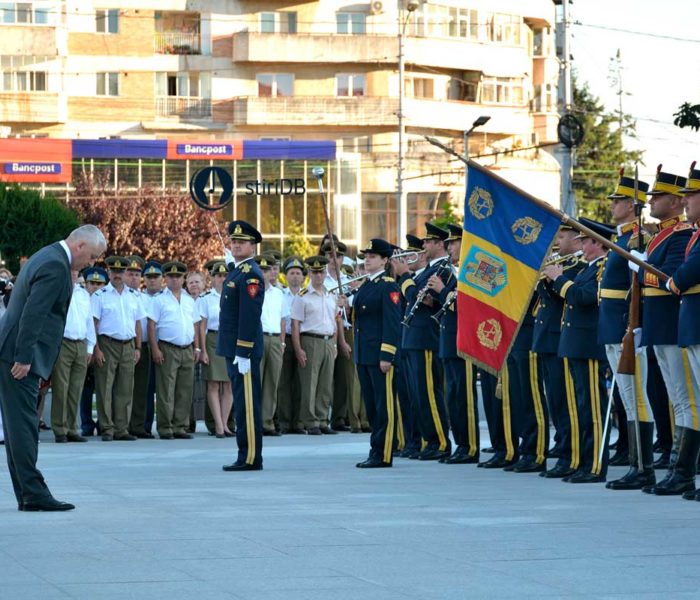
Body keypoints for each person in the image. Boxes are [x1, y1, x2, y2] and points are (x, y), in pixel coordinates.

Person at [0, 224, 106, 511]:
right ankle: (33, 493)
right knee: (23, 427)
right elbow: (33, 314)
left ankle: (27, 492)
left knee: (17, 426)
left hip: (15, 353)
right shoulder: (55, 265)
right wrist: (23, 357)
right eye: (93, 256)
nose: (92, 264)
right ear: (80, 246)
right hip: (18, 357)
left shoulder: (47, 257)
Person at [631, 168, 694, 495]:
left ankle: (682, 466)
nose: (651, 202)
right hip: (658, 324)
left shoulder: (681, 234)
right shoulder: (659, 235)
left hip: (672, 323)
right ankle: (676, 465)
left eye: (657, 197)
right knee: (675, 398)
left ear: (673, 201)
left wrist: (642, 271)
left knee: (685, 399)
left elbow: (670, 277)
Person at [544, 218, 614, 484]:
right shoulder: (587, 268)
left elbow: (584, 297)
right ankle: (585, 462)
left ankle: (595, 465)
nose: (582, 245)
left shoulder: (604, 267)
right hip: (575, 345)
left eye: (585, 241)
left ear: (598, 243)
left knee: (593, 410)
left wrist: (559, 278)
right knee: (583, 408)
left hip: (588, 346)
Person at [600, 174, 657, 491]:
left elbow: (638, 288)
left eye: (619, 200)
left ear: (634, 206)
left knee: (637, 398)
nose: (613, 205)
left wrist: (632, 326)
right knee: (627, 397)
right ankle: (637, 464)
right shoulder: (621, 240)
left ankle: (643, 467)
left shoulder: (637, 240)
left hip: (626, 326)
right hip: (612, 325)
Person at [660, 162, 700, 498]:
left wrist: (674, 280)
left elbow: (688, 272)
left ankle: (685, 470)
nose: (685, 201)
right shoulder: (695, 233)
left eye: (692, 196)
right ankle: (682, 471)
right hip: (690, 324)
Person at [394, 223, 451, 461]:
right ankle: (429, 440)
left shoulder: (443, 269)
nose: (423, 245)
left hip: (427, 337)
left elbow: (414, 295)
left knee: (429, 393)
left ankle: (439, 441)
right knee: (419, 394)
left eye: (428, 242)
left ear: (439, 244)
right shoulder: (430, 269)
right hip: (415, 337)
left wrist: (405, 275)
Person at [427, 224, 480, 464]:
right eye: (448, 244)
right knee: (453, 397)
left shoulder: (474, 271)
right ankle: (461, 443)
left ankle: (470, 446)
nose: (450, 248)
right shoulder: (450, 271)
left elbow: (470, 305)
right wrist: (435, 293)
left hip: (466, 341)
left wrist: (442, 290)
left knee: (464, 397)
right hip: (448, 339)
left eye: (454, 243)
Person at [534, 226, 585, 478]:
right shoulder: (561, 264)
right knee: (555, 401)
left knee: (566, 404)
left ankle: (569, 455)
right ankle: (563, 448)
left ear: (577, 240)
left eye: (562, 237)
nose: (557, 242)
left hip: (560, 340)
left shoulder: (577, 266)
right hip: (546, 340)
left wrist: (553, 276)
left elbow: (562, 298)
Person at [218, 220, 265, 471]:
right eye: (233, 242)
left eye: (241, 242)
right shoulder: (238, 271)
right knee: (241, 401)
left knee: (247, 404)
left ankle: (250, 457)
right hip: (233, 348)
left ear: (253, 247)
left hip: (242, 350)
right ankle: (244, 453)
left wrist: (244, 350)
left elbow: (249, 315)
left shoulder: (250, 275)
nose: (236, 245)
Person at [353, 239, 401, 468]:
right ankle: (375, 449)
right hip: (364, 354)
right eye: (366, 255)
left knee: (384, 406)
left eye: (372, 256)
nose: (367, 259)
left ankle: (384, 452)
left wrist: (387, 355)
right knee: (372, 406)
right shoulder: (367, 284)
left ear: (384, 260)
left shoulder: (388, 285)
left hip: (379, 355)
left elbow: (392, 323)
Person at [91, 256, 146, 442]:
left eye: (120, 271)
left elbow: (137, 323)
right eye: (114, 271)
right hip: (107, 343)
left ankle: (122, 428)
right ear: (108, 272)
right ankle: (107, 428)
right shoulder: (100, 295)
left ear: (125, 273)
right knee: (105, 387)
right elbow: (94, 324)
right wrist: (96, 349)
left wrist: (138, 347)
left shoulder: (134, 296)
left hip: (128, 344)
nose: (117, 275)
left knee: (125, 388)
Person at [147, 261, 201, 440]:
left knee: (185, 390)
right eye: (171, 276)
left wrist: (197, 347)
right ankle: (165, 426)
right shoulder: (159, 299)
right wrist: (155, 349)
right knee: (166, 390)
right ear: (165, 278)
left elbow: (195, 324)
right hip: (167, 348)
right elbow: (151, 325)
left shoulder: (189, 300)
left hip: (187, 348)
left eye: (178, 276)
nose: (175, 280)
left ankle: (180, 426)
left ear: (183, 278)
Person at [291, 256, 339, 436]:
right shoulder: (302, 297)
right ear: (309, 273)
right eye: (315, 272)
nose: (318, 275)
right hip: (310, 339)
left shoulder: (331, 294)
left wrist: (334, 343)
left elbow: (335, 320)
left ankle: (322, 418)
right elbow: (295, 324)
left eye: (321, 272)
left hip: (328, 340)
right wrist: (298, 349)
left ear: (326, 273)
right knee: (310, 383)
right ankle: (310, 421)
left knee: (326, 384)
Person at [50, 269, 96, 443]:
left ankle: (71, 428)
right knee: (61, 388)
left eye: (77, 271)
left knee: (76, 388)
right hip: (63, 343)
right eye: (71, 270)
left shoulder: (83, 294)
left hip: (81, 343)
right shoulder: (57, 290)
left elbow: (88, 321)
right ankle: (60, 429)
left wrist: (90, 347)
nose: (74, 274)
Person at [199, 260, 234, 439]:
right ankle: (219, 426)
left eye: (225, 275)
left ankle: (225, 423)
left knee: (229, 384)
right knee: (213, 383)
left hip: (230, 339)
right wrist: (202, 350)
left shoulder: (234, 295)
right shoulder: (206, 298)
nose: (222, 278)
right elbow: (202, 326)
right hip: (213, 339)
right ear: (212, 278)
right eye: (218, 275)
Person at [129, 260, 162, 438]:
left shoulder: (161, 297)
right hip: (137, 344)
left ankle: (144, 424)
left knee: (149, 389)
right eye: (148, 277)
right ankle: (132, 424)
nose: (151, 280)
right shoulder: (137, 297)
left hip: (156, 346)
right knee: (134, 388)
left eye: (155, 276)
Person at [257, 254, 287, 436]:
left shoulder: (278, 294)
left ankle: (267, 422)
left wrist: (282, 341)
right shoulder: (252, 291)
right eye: (261, 269)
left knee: (272, 382)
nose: (264, 273)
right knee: (257, 381)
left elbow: (283, 320)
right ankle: (255, 422)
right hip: (258, 338)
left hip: (275, 339)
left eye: (267, 270)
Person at [277, 256, 306, 434]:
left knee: (302, 382)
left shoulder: (307, 295)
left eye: (298, 273)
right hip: (286, 339)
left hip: (305, 339)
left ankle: (299, 422)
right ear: (285, 276)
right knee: (284, 382)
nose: (295, 276)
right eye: (291, 273)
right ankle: (285, 421)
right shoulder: (280, 295)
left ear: (303, 277)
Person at [79, 266, 108, 436]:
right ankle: (86, 424)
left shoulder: (107, 299)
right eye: (92, 283)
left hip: (105, 347)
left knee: (105, 387)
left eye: (100, 283)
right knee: (85, 388)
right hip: (84, 347)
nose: (96, 286)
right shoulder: (81, 299)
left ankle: (104, 423)